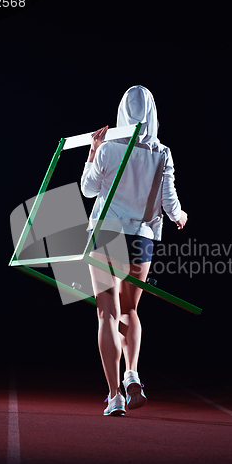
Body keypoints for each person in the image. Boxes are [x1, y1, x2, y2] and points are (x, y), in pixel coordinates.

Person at [81, 85, 187, 416]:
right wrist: (181, 216)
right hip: (141, 238)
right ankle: (132, 375)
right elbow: (169, 202)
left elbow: (87, 189)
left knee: (107, 313)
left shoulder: (109, 147)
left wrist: (92, 153)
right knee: (130, 310)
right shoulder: (162, 152)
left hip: (106, 234)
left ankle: (114, 396)